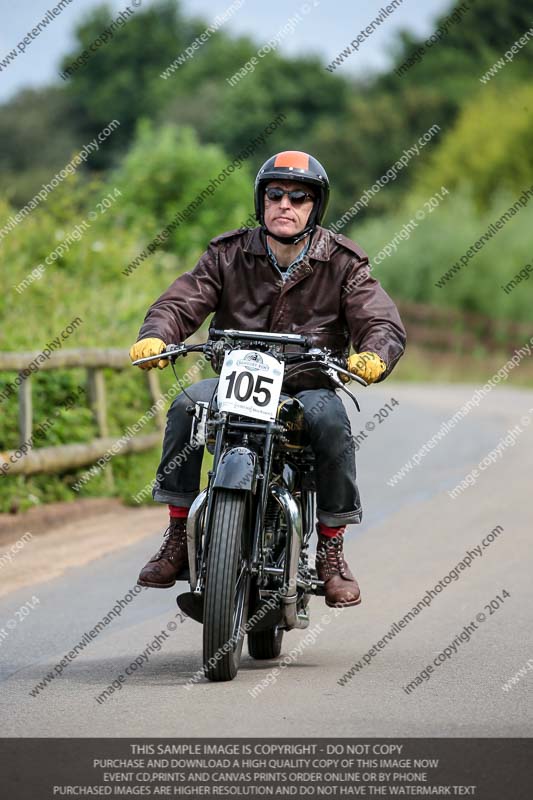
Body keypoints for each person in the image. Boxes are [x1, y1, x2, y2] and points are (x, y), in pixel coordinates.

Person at [129, 150, 406, 608]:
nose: (286, 204)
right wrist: (157, 336)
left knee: (332, 422)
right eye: (275, 194)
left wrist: (375, 353)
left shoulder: (342, 261)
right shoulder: (228, 253)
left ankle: (331, 551)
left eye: (299, 197)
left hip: (307, 383)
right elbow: (181, 302)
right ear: (261, 201)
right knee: (185, 406)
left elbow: (380, 320)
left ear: (315, 207)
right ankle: (179, 533)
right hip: (237, 379)